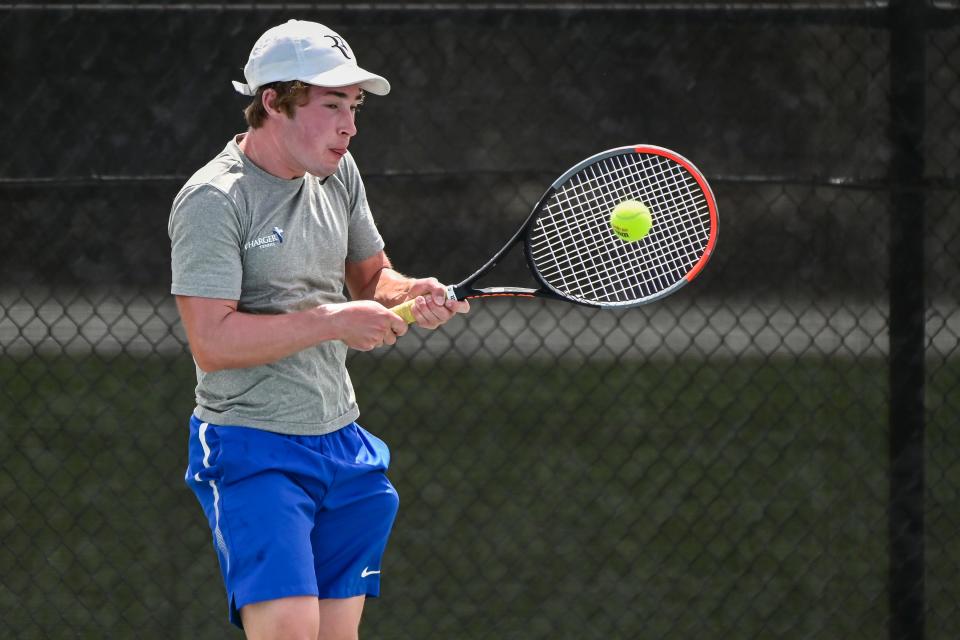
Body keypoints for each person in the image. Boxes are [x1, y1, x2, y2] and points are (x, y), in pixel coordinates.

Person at [168, 19, 469, 640]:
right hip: (252, 447)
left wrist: (411, 293)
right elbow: (213, 342)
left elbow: (371, 279)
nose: (350, 125)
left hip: (340, 440)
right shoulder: (213, 200)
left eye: (354, 107)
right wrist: (333, 321)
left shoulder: (339, 172)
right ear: (273, 103)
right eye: (332, 105)